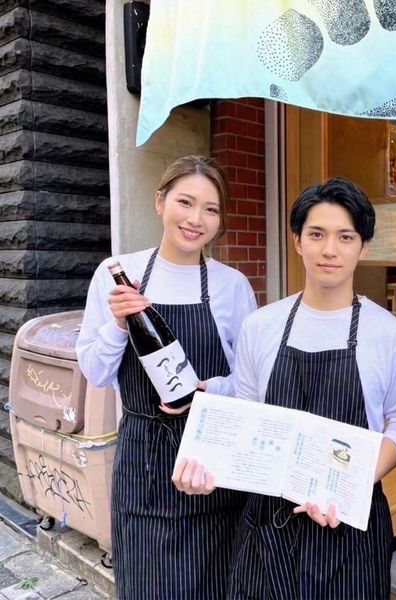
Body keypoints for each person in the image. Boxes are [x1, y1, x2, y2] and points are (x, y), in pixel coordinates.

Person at [173, 177, 396, 598]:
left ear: (363, 247)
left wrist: (352, 481)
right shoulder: (261, 326)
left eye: (345, 237)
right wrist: (209, 465)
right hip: (268, 527)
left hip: (350, 528)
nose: (330, 249)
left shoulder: (390, 335)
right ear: (297, 241)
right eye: (317, 234)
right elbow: (247, 415)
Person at [76, 155, 257, 599]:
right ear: (160, 202)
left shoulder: (232, 285)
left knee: (218, 584)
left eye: (211, 209)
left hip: (213, 458)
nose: (196, 219)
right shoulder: (117, 275)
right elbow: (96, 372)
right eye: (185, 202)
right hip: (144, 463)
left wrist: (210, 390)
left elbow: (252, 383)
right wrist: (118, 324)